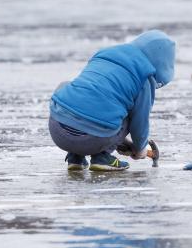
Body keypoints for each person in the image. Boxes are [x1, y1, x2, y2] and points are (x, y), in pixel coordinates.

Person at [48, 29, 175, 171]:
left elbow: (88, 100)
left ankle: (75, 158)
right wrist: (140, 149)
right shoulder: (144, 76)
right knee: (128, 111)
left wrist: (122, 141)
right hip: (93, 139)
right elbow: (140, 121)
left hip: (57, 130)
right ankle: (102, 158)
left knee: (70, 89)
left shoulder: (104, 54)